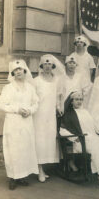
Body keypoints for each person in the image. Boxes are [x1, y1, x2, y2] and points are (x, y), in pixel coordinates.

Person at [60, 91, 99, 191]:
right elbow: (62, 130)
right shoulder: (68, 114)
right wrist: (74, 138)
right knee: (97, 150)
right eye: (76, 99)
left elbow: (94, 126)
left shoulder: (85, 111)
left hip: (93, 138)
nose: (79, 101)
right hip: (80, 142)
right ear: (71, 101)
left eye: (81, 99)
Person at [0, 59, 39, 190]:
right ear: (12, 73)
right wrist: (17, 109)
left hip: (26, 122)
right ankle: (13, 177)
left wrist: (30, 111)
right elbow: (0, 104)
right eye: (15, 70)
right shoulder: (8, 88)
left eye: (20, 69)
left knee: (25, 148)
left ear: (25, 70)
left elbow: (35, 103)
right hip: (13, 122)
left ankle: (22, 176)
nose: (18, 71)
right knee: (13, 149)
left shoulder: (30, 88)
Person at [33, 54, 64, 182]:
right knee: (39, 140)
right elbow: (33, 99)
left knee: (48, 140)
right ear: (41, 66)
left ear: (53, 66)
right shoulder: (36, 81)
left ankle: (44, 167)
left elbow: (57, 97)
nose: (47, 66)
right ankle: (39, 169)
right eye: (45, 64)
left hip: (50, 116)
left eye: (49, 64)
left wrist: (59, 107)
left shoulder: (56, 80)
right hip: (39, 115)